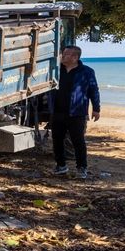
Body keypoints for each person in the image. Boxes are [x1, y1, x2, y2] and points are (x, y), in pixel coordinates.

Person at [49, 45, 101, 179]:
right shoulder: (56, 70)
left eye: (66, 54)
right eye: (63, 54)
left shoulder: (87, 72)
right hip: (57, 111)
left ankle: (81, 168)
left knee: (78, 141)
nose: (63, 56)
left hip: (77, 113)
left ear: (75, 57)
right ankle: (61, 166)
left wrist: (96, 109)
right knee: (57, 140)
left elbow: (93, 90)